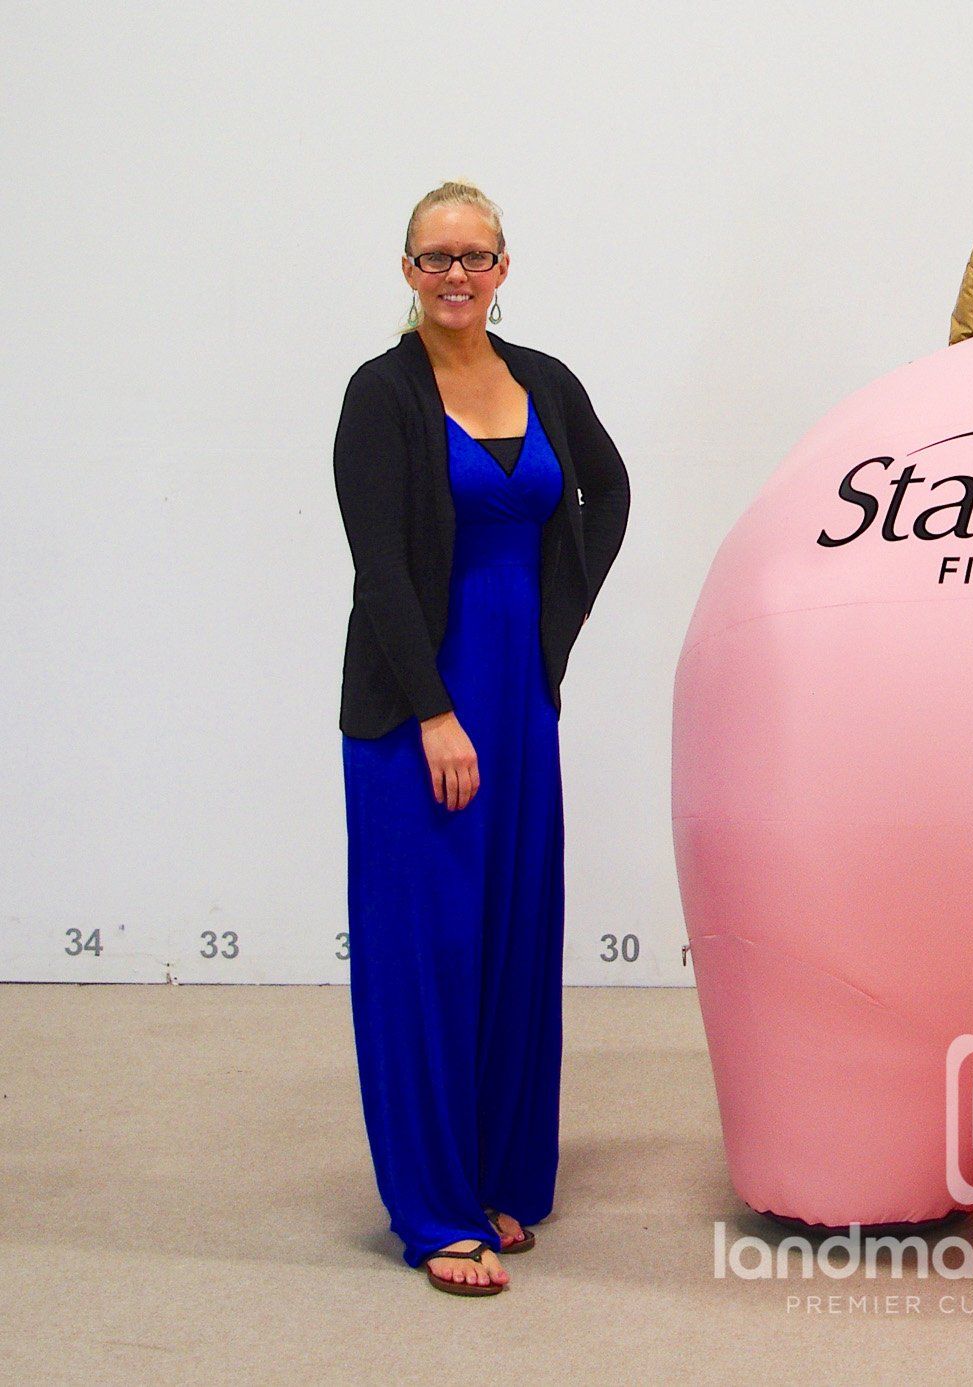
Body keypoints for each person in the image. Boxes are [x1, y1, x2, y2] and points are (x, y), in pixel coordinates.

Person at [332, 180, 630, 1295]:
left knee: (511, 937)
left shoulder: (543, 379)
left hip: (517, 699)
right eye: (435, 257)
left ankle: (498, 1177)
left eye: (475, 256)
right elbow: (379, 573)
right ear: (406, 269)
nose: (455, 275)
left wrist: (555, 633)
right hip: (419, 707)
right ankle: (435, 1210)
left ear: (503, 267)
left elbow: (608, 491)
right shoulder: (381, 395)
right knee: (430, 954)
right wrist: (434, 712)